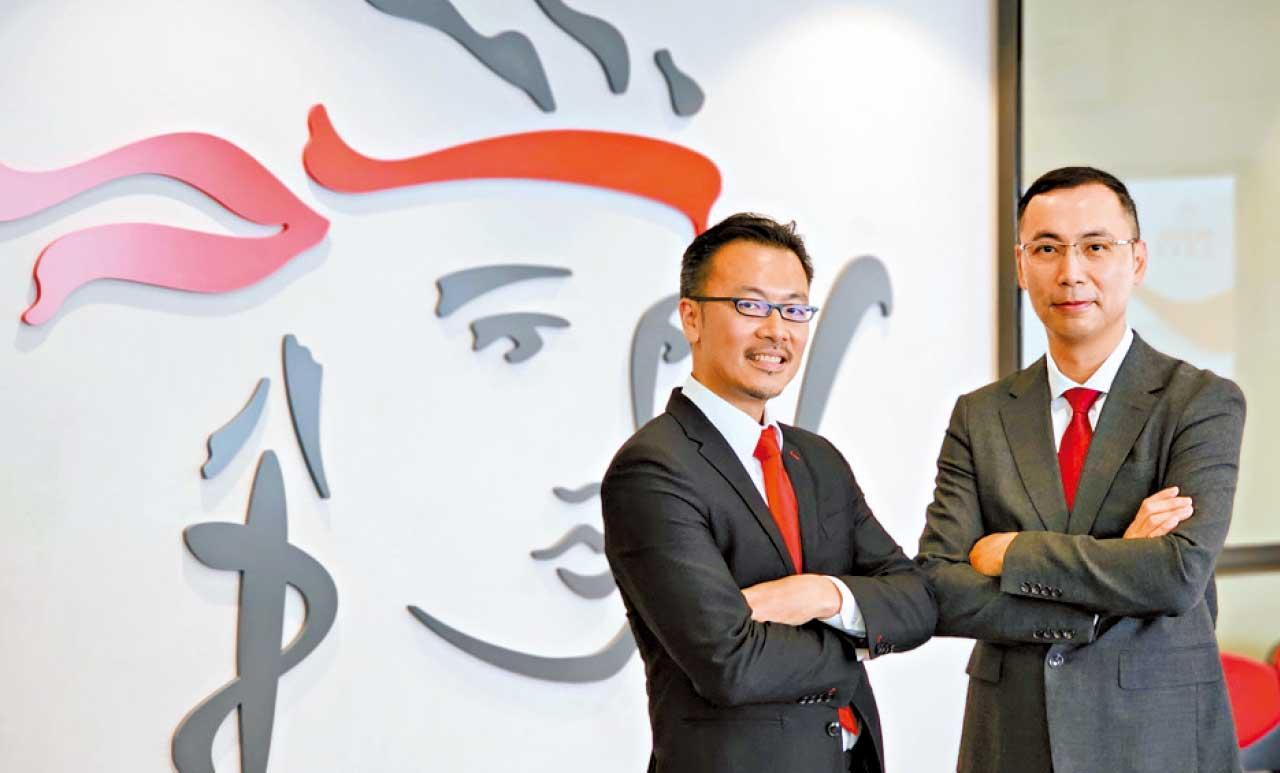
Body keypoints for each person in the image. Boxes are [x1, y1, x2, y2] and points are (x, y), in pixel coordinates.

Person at [917, 167, 1246, 773]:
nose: (1071, 272)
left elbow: (1177, 575)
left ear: (1137, 260)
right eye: (1047, 249)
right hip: (1012, 734)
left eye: (1095, 247)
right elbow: (941, 587)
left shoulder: (1200, 402)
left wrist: (1014, 553)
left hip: (1157, 736)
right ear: (1021, 266)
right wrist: (1119, 566)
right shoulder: (980, 415)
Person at [602, 212, 936, 773]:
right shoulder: (654, 469)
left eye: (795, 309)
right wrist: (859, 640)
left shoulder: (818, 460)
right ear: (691, 317)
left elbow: (918, 601)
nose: (777, 330)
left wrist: (824, 595)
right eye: (751, 306)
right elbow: (729, 663)